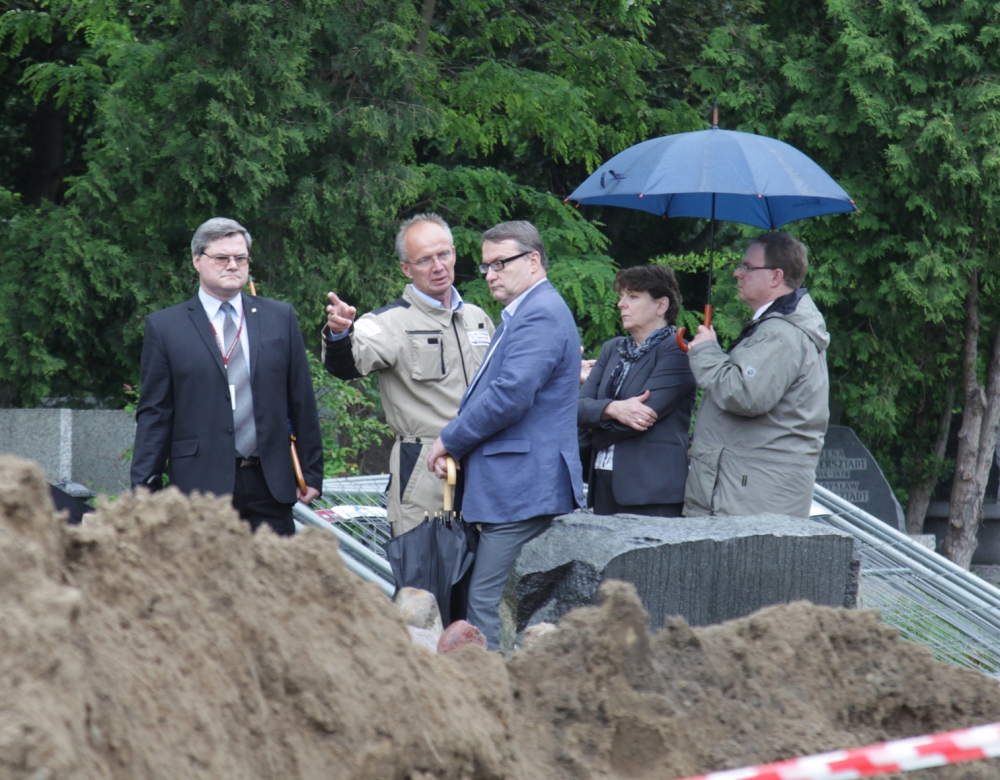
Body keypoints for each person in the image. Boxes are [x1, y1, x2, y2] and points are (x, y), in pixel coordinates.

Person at [427, 221, 584, 650]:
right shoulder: (527, 312)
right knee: (494, 603)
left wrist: (450, 439)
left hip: (523, 487)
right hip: (518, 485)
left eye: (500, 263)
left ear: (533, 260)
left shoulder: (540, 313)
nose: (490, 274)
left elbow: (510, 396)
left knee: (486, 604)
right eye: (486, 266)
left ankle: (490, 688)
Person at [130, 217, 323, 536]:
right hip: (199, 489)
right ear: (197, 260)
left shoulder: (279, 317)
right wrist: (143, 489)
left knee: (275, 569)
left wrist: (312, 472)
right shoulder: (166, 328)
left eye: (240, 258)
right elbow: (155, 414)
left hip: (269, 484)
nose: (233, 265)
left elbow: (301, 398)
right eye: (222, 258)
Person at [322, 214, 494, 536]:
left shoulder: (477, 318)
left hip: (484, 467)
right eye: (425, 260)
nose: (438, 266)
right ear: (406, 268)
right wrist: (340, 334)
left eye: (443, 255)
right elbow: (347, 364)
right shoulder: (389, 322)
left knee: (487, 566)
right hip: (425, 470)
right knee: (426, 566)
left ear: (454, 254)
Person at [683, 231, 830, 518]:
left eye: (748, 267)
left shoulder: (780, 334)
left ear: (776, 277)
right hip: (746, 490)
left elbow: (744, 394)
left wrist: (706, 352)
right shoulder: (776, 328)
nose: (737, 273)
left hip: (750, 497)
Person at [579, 265, 696, 516]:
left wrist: (595, 424)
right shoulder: (613, 348)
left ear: (661, 305)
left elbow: (642, 417)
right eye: (621, 296)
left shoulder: (678, 350)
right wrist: (612, 409)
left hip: (652, 488)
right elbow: (577, 407)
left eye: (632, 296)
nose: (621, 304)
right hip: (602, 480)